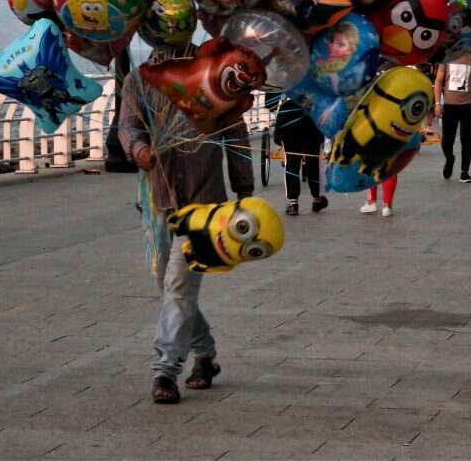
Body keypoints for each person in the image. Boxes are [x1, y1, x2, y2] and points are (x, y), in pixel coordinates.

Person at [119, 44, 255, 405]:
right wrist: (139, 150)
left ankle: (166, 369)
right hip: (156, 200)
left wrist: (244, 192)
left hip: (205, 203)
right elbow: (128, 124)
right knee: (167, 285)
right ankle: (206, 354)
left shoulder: (214, 73)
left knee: (178, 286)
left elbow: (236, 135)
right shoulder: (139, 79)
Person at [434, 49, 471, 184]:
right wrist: (437, 103)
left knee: (467, 139)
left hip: (468, 106)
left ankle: (465, 172)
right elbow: (439, 80)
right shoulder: (446, 58)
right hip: (449, 105)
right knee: (447, 140)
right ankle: (449, 159)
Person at [274, 98, 328, 216]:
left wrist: (278, 139)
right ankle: (316, 198)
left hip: (290, 132)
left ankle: (293, 204)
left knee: (291, 167)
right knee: (313, 165)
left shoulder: (286, 105)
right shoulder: (315, 102)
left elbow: (278, 128)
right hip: (312, 131)